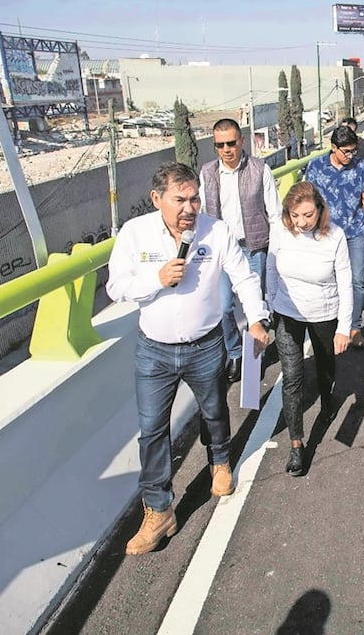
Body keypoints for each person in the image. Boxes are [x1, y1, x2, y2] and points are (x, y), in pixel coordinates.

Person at [107, 162, 272, 555]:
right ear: (156, 199)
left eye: (194, 198)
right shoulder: (135, 234)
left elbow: (245, 276)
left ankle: (219, 462)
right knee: (151, 431)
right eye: (179, 199)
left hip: (205, 346)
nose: (189, 207)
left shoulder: (215, 231)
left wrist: (256, 319)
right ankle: (159, 510)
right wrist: (157, 279)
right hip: (154, 352)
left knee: (215, 411)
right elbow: (115, 287)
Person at [267, 182, 352, 476]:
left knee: (325, 366)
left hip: (323, 313)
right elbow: (270, 266)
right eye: (294, 216)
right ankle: (297, 444)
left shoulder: (336, 237)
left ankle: (328, 399)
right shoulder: (279, 231)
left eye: (307, 215)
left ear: (320, 210)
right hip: (286, 313)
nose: (301, 223)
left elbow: (345, 283)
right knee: (292, 378)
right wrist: (269, 302)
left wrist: (344, 326)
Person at [199, 118, 279, 383]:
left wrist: (276, 249)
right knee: (222, 308)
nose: (226, 150)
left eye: (231, 143)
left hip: (253, 248)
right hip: (221, 252)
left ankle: (254, 363)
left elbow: (274, 213)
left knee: (254, 309)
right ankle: (235, 352)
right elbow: (201, 213)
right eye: (219, 145)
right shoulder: (207, 173)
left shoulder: (259, 169)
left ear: (242, 141)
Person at [302, 126, 364, 349]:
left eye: (353, 151)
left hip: (355, 231)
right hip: (326, 232)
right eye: (346, 151)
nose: (350, 156)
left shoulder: (361, 166)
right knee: (327, 279)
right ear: (333, 147)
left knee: (357, 280)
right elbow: (309, 199)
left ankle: (354, 327)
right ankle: (330, 324)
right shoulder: (316, 167)